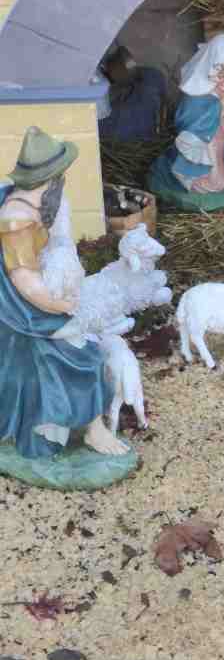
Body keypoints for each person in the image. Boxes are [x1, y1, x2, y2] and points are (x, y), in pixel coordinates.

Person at [0, 127, 128, 459]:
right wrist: (59, 306)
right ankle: (87, 429)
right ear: (50, 178)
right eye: (61, 173)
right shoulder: (17, 219)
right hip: (22, 311)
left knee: (82, 354)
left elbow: (56, 244)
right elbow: (23, 278)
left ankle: (89, 426)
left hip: (38, 298)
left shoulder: (41, 203)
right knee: (82, 357)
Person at [149, 34, 224, 200]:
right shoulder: (198, 86)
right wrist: (223, 101)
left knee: (222, 153)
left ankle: (223, 178)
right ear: (218, 61)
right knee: (210, 155)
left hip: (223, 126)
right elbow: (195, 115)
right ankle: (203, 182)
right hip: (205, 133)